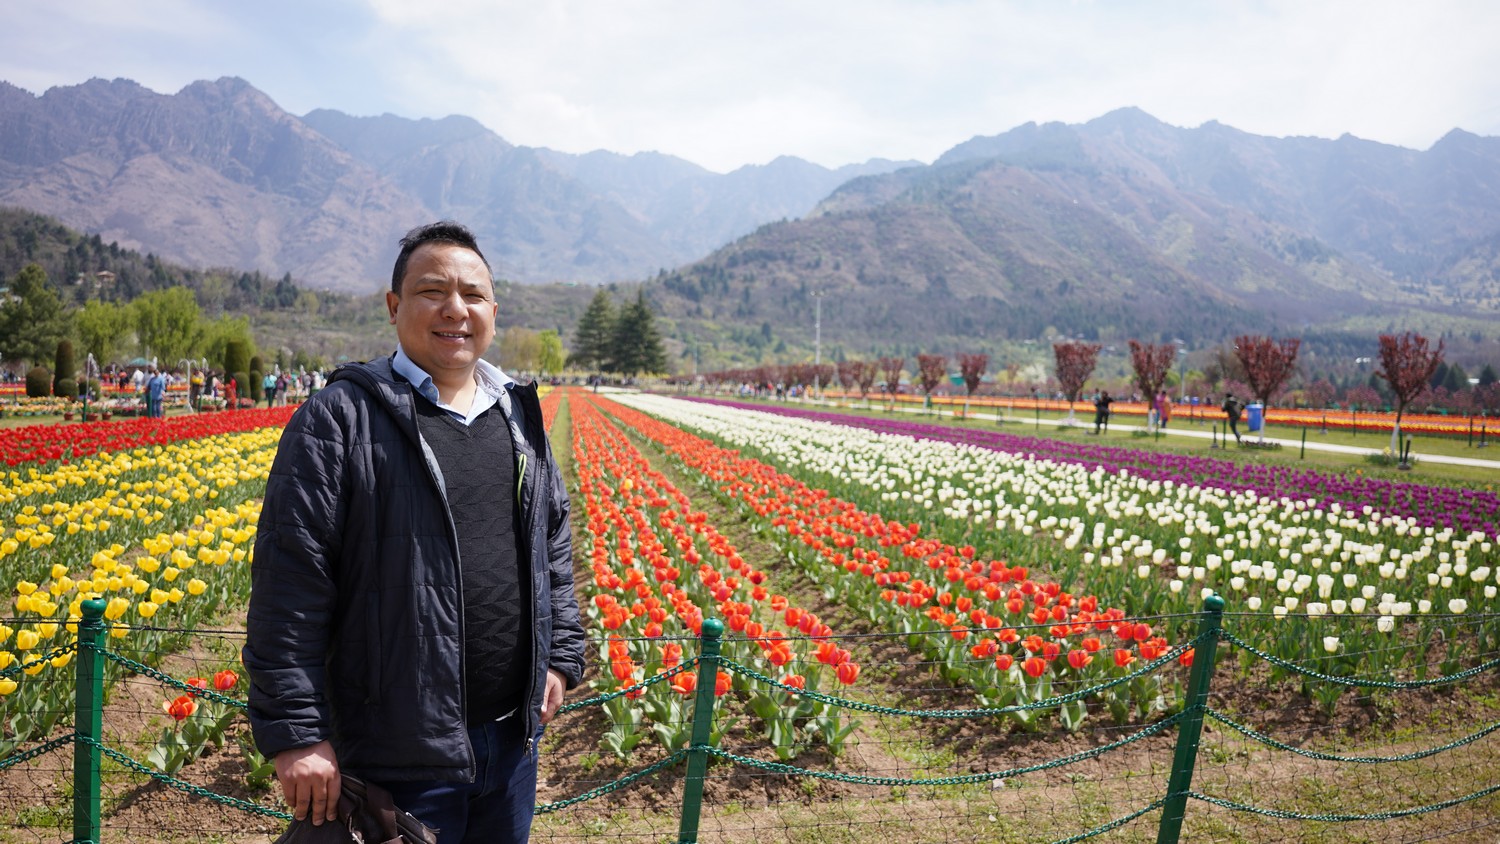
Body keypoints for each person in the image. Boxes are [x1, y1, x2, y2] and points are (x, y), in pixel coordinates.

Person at [244, 221, 585, 844]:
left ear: (493, 311)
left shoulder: (516, 416)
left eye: (473, 295)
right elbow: (289, 583)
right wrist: (297, 733)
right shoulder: (340, 420)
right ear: (395, 305)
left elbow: (552, 544)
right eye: (433, 290)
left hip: (510, 746)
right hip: (395, 755)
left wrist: (560, 657)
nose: (456, 309)